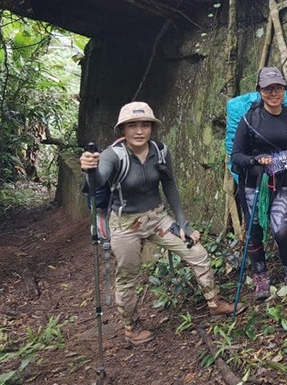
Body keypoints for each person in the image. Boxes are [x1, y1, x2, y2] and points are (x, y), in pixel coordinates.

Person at [80, 102, 242, 346]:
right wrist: (89, 169)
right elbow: (98, 181)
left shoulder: (161, 151)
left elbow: (170, 185)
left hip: (157, 218)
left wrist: (183, 223)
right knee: (128, 275)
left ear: (152, 127)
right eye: (132, 126)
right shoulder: (114, 155)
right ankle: (131, 326)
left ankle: (214, 302)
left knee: (197, 252)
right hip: (124, 223)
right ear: (122, 129)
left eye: (145, 125)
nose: (139, 131)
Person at [230, 67, 287, 300]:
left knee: (282, 231)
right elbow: (236, 155)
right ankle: (261, 277)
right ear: (260, 90)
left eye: (278, 87)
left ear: (284, 89)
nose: (273, 92)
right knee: (253, 231)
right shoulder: (250, 119)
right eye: (267, 88)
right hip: (253, 184)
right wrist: (256, 160)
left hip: (284, 182)